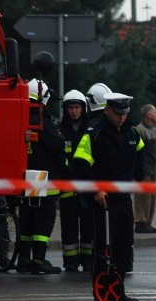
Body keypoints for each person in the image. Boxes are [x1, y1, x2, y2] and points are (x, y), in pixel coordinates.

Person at [73, 92, 145, 301]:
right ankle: (101, 291)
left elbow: (140, 154)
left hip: (124, 199)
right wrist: (95, 189)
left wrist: (137, 178)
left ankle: (119, 290)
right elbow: (80, 163)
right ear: (106, 110)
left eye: (124, 113)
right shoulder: (94, 133)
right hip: (103, 201)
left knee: (124, 245)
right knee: (104, 247)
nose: (121, 117)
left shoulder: (132, 132)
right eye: (117, 113)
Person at [17, 79, 67, 274]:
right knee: (44, 217)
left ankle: (23, 259)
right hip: (43, 177)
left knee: (28, 217)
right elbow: (57, 144)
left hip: (27, 175)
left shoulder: (21, 116)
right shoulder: (41, 121)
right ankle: (38, 259)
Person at [58, 90, 93, 272]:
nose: (74, 111)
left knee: (88, 226)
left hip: (86, 187)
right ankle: (70, 261)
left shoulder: (90, 130)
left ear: (83, 109)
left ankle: (88, 260)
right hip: (67, 188)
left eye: (77, 107)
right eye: (70, 108)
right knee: (69, 227)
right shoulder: (60, 130)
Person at [134, 104, 156, 234]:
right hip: (143, 171)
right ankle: (140, 223)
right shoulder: (139, 130)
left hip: (152, 170)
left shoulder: (154, 130)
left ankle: (148, 223)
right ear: (149, 115)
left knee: (151, 198)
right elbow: (136, 153)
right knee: (142, 198)